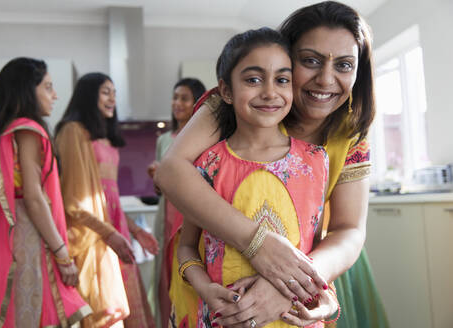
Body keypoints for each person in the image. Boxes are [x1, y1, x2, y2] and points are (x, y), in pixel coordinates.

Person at [155, 1, 389, 327]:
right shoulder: (234, 105)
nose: (326, 79)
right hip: (217, 282)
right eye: (310, 61)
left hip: (316, 269)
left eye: (345, 66)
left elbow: (348, 230)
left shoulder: (348, 135)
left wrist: (290, 285)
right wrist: (258, 244)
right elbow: (171, 171)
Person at [176, 27, 341, 328]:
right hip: (225, 318)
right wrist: (205, 289)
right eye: (253, 79)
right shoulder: (208, 164)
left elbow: (313, 249)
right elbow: (187, 246)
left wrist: (326, 297)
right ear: (226, 91)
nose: (269, 92)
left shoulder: (316, 160)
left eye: (282, 80)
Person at [0, 57, 92, 327]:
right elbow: (34, 198)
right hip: (31, 239)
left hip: (17, 239)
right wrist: (62, 254)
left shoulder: (6, 130)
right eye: (48, 87)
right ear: (28, 90)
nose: (55, 95)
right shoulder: (28, 130)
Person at [55, 72, 159, 328]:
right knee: (101, 315)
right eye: (105, 92)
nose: (112, 98)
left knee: (121, 313)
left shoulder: (105, 140)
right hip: (91, 236)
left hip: (113, 231)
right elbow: (75, 199)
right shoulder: (73, 132)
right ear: (88, 95)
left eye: (114, 92)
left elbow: (108, 201)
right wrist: (109, 234)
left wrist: (134, 230)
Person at [147, 77, 206, 328]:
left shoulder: (204, 136)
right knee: (164, 276)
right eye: (175, 97)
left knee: (188, 269)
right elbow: (161, 190)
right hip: (167, 214)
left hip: (190, 214)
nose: (177, 103)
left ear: (197, 103)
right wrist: (157, 178)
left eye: (184, 98)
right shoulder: (164, 140)